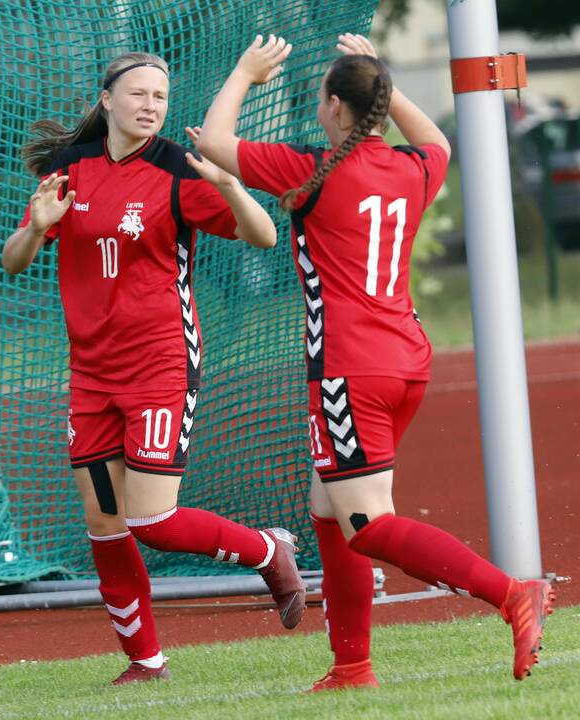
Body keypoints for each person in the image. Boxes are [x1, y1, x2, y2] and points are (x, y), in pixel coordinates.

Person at [195, 33, 556, 690]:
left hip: (350, 371)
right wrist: (387, 84)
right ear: (381, 108)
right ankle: (352, 667)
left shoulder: (313, 166)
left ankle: (512, 593)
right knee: (329, 512)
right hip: (404, 360)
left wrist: (246, 72)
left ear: (334, 106)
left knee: (367, 524)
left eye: (323, 98)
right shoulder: (410, 166)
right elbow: (441, 145)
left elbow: (216, 142)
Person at [2, 51, 307, 685]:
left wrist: (231, 187)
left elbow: (264, 237)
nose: (150, 105)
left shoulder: (175, 166)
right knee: (105, 523)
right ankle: (146, 663)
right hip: (91, 373)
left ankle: (267, 550)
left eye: (160, 97)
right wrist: (36, 228)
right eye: (138, 93)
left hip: (161, 362)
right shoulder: (70, 170)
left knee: (154, 523)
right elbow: (13, 260)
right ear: (107, 98)